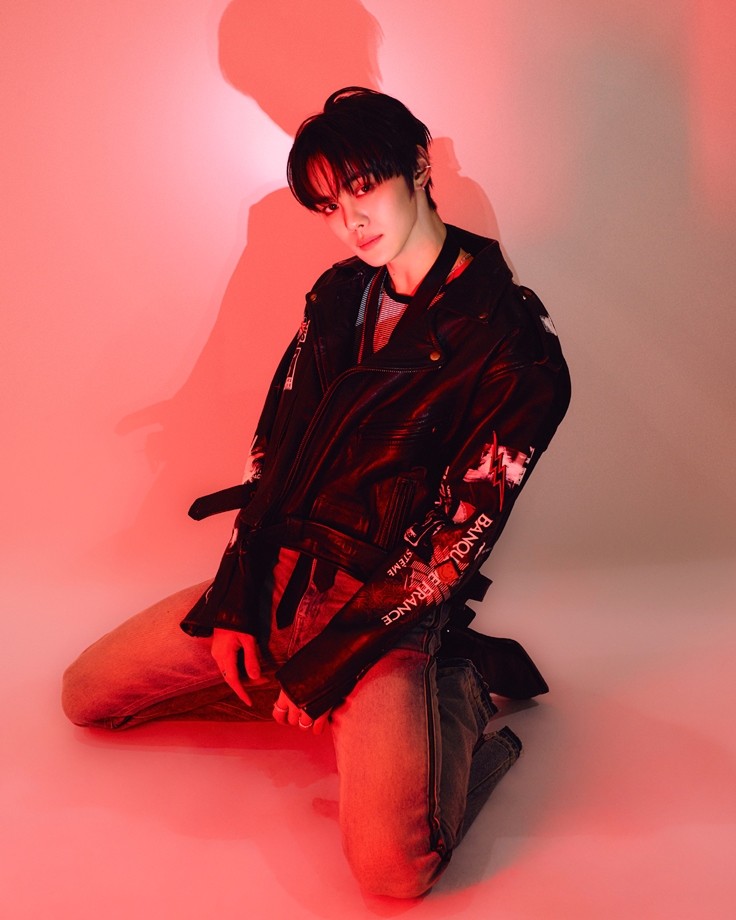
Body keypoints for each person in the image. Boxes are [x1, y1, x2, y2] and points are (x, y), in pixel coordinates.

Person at [62, 87, 570, 899]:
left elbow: (456, 540)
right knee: (87, 697)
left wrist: (335, 662)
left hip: (386, 616)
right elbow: (273, 452)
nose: (351, 222)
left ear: (418, 167)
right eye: (330, 206)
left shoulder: (516, 350)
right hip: (282, 580)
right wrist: (238, 598)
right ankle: (323, 708)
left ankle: (458, 695)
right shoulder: (339, 295)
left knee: (394, 871)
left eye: (364, 188)